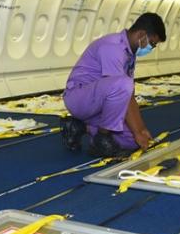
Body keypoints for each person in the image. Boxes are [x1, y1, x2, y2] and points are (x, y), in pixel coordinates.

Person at [60, 13, 166, 157]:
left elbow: (129, 96)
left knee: (132, 141)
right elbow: (122, 88)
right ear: (141, 35)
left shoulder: (129, 53)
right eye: (152, 44)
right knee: (123, 84)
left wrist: (141, 130)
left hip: (99, 101)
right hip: (79, 98)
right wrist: (138, 131)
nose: (151, 48)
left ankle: (79, 127)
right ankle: (102, 139)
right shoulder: (113, 47)